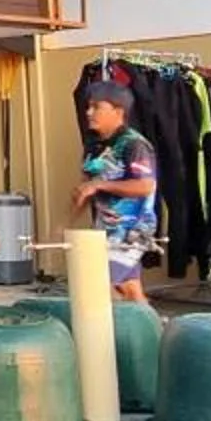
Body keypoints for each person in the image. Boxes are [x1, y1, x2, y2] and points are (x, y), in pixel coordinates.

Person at [74, 84, 159, 303]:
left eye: (96, 107)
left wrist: (100, 185)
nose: (88, 113)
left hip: (131, 229)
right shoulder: (94, 146)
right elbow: (90, 186)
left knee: (98, 287)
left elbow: (145, 186)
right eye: (88, 107)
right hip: (105, 229)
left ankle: (106, 335)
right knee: (131, 291)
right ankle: (153, 333)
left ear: (118, 111)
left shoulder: (135, 144)